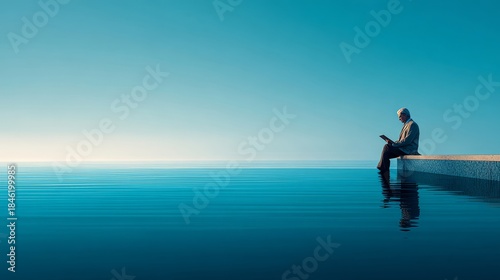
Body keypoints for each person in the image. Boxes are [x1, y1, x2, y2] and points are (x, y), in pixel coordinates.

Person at [377, 107, 420, 173]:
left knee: (387, 147)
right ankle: (385, 171)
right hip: (403, 149)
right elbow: (401, 140)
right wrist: (392, 142)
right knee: (386, 153)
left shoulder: (412, 125)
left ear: (405, 115)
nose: (399, 119)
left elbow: (407, 141)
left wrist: (394, 144)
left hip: (408, 150)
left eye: (400, 116)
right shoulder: (406, 125)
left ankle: (383, 170)